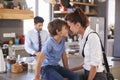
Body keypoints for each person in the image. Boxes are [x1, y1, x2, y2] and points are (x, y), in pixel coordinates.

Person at [65, 8, 107, 80]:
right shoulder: (81, 37)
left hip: (97, 76)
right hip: (88, 73)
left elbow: (94, 66)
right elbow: (86, 63)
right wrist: (69, 69)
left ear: (78, 25)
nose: (69, 29)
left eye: (70, 26)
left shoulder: (92, 37)